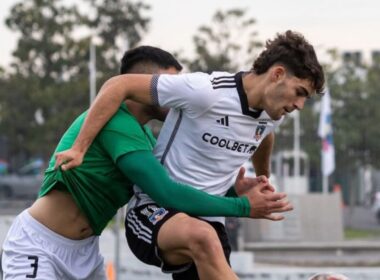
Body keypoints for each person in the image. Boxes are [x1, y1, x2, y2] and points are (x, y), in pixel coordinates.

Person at [1, 46, 290, 280]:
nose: (179, 93)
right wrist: (243, 207)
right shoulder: (115, 124)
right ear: (149, 84)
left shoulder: (147, 140)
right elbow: (168, 193)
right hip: (39, 246)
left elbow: (177, 194)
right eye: (172, 81)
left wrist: (232, 192)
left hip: (85, 254)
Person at [55, 30, 323, 279]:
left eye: (305, 98)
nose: (299, 105)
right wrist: (80, 146)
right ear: (277, 74)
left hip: (209, 224)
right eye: (299, 92)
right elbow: (118, 85)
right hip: (153, 212)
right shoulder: (205, 91)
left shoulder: (273, 115)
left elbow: (265, 134)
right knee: (203, 237)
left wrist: (263, 178)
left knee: (208, 238)